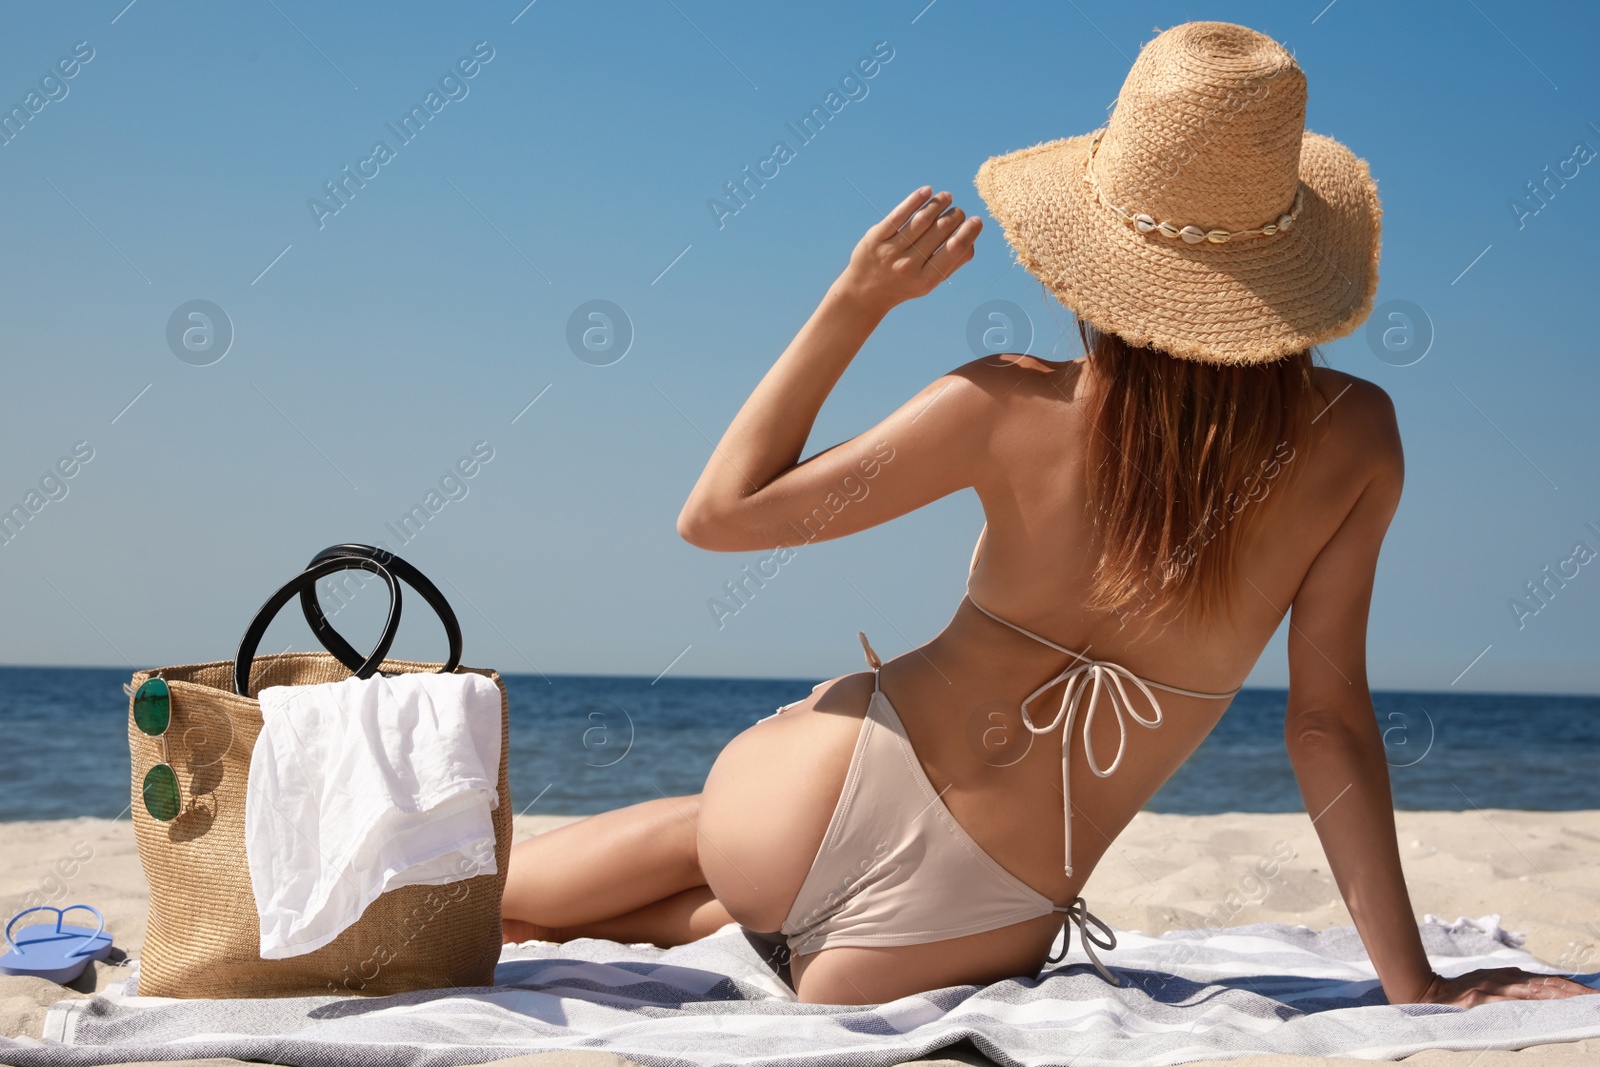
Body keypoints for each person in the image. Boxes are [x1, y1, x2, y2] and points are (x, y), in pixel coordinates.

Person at [501, 21, 1598, 1010]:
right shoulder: (1357, 438)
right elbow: (1324, 725)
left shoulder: (1005, 403)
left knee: (510, 892)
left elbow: (719, 515)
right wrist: (1414, 982)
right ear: (1284, 267)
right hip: (960, 919)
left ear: (1097, 255)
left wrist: (855, 302)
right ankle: (762, 931)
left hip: (797, 802)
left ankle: (454, 910)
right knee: (756, 930)